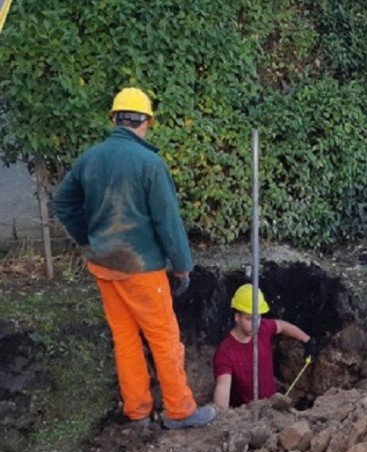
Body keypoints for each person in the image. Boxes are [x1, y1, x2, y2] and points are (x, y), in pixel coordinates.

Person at [53, 87, 216, 430]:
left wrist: (88, 237)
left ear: (115, 119)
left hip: (103, 265)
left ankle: (138, 412)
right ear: (145, 122)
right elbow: (167, 220)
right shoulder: (149, 164)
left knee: (125, 339)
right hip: (141, 269)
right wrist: (183, 265)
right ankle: (180, 411)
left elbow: (63, 202)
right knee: (164, 338)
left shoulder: (91, 158)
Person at [213, 284, 318, 408]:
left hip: (272, 406)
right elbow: (222, 387)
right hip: (249, 415)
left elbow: (282, 326)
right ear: (237, 317)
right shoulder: (226, 352)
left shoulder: (263, 328)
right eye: (249, 319)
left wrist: (307, 340)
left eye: (258, 317)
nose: (255, 323)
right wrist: (221, 416)